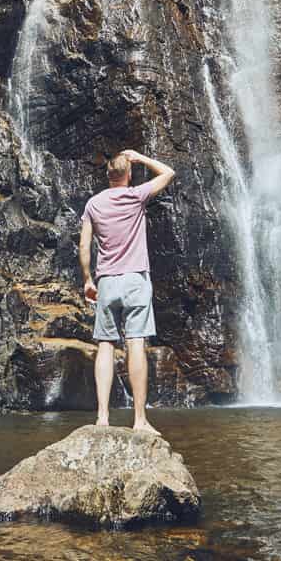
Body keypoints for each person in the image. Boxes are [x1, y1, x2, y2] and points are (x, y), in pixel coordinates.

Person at [80, 147, 175, 434]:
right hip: (135, 279)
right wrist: (141, 158)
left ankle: (102, 418)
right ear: (128, 175)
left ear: (108, 176)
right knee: (135, 343)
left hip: (107, 281)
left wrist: (87, 279)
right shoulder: (136, 195)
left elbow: (84, 246)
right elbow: (169, 173)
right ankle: (140, 420)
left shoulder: (93, 204)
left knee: (106, 345)